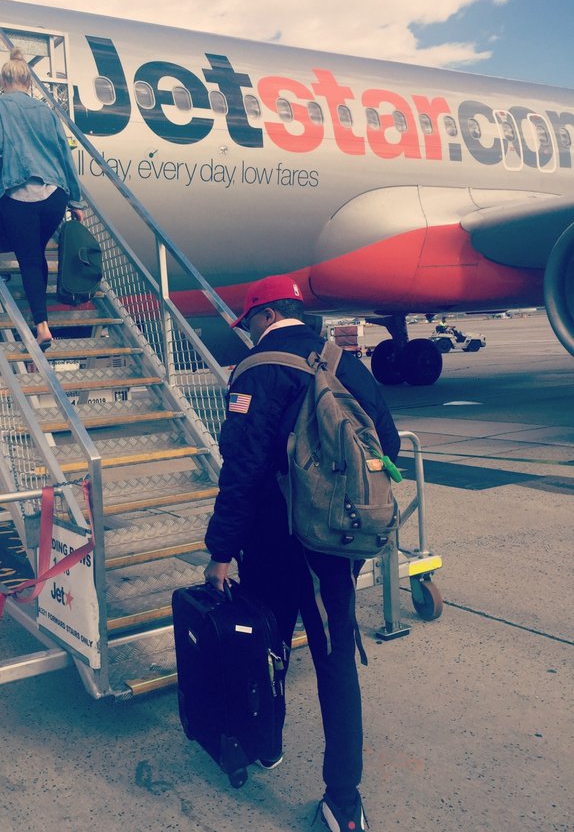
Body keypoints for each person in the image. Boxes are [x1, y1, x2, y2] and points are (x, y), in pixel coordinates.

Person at [204, 275, 400, 832]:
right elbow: (385, 443)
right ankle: (344, 801)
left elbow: (241, 471)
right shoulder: (344, 362)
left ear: (265, 316)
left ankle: (265, 745)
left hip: (271, 544)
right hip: (335, 542)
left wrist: (221, 550)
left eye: (249, 323)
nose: (249, 333)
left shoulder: (257, 369)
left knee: (267, 648)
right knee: (335, 660)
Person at [0, 49, 83, 351]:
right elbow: (65, 155)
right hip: (55, 196)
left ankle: (42, 327)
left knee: (29, 259)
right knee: (36, 253)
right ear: (29, 83)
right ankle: (43, 320)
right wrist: (76, 202)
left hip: (19, 193)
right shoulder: (47, 112)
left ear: (2, 82)